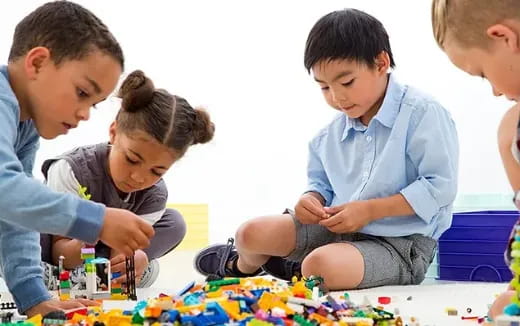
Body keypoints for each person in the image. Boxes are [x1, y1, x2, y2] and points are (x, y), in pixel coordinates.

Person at [195, 8, 459, 290]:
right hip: (337, 231)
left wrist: (369, 210)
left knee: (320, 267)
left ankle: (299, 264)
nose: (337, 97)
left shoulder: (422, 113)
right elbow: (321, 184)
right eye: (324, 87)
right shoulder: (328, 136)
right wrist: (311, 199)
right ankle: (242, 266)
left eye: (347, 82)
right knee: (249, 233)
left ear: (381, 63)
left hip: (401, 245)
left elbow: (439, 187)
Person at [0, 1, 154, 316]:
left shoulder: (25, 126)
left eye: (94, 104)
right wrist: (97, 220)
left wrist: (34, 298)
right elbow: (5, 190)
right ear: (38, 62)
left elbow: (15, 214)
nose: (84, 114)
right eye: (83, 93)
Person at [40, 70, 214, 288]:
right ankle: (52, 274)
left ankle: (133, 268)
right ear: (114, 132)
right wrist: (92, 233)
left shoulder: (154, 194)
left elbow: (118, 253)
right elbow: (60, 251)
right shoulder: (71, 170)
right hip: (62, 248)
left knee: (174, 223)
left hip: (100, 254)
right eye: (132, 159)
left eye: (157, 171)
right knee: (20, 227)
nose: (138, 178)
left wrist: (130, 258)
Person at [431, 0, 520, 319]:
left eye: (483, 74)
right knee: (502, 309)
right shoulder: (512, 130)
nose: (495, 91)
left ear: (504, 38)